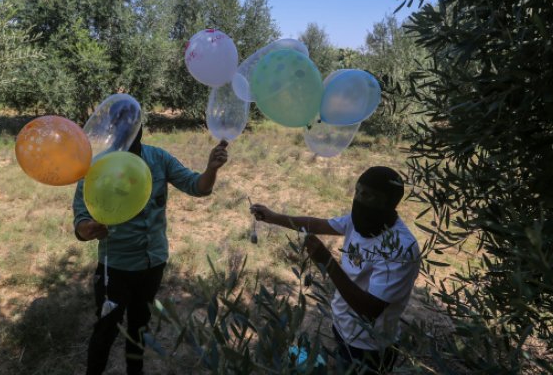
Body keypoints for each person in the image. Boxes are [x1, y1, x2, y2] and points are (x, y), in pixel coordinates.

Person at [73, 127, 228, 375]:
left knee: (140, 326)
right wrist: (87, 229)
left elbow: (196, 186)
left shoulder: (158, 158)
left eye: (134, 134)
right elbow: (81, 220)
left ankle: (136, 371)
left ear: (141, 131)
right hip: (115, 267)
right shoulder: (96, 168)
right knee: (106, 329)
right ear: (112, 135)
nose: (130, 147)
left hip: (152, 263)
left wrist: (211, 169)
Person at [250, 166, 419, 374]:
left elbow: (370, 311)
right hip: (342, 327)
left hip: (369, 345)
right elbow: (319, 225)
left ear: (389, 201)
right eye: (357, 191)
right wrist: (273, 217)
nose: (358, 199)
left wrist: (327, 262)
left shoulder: (401, 248)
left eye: (367, 195)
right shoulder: (359, 222)